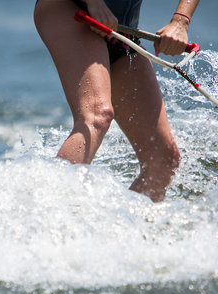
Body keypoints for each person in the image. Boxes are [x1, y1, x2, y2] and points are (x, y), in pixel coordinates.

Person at [34, 0, 199, 202]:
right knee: (97, 116)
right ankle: (46, 214)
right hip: (74, 8)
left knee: (164, 160)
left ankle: (125, 229)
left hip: (123, 29)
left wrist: (180, 21)